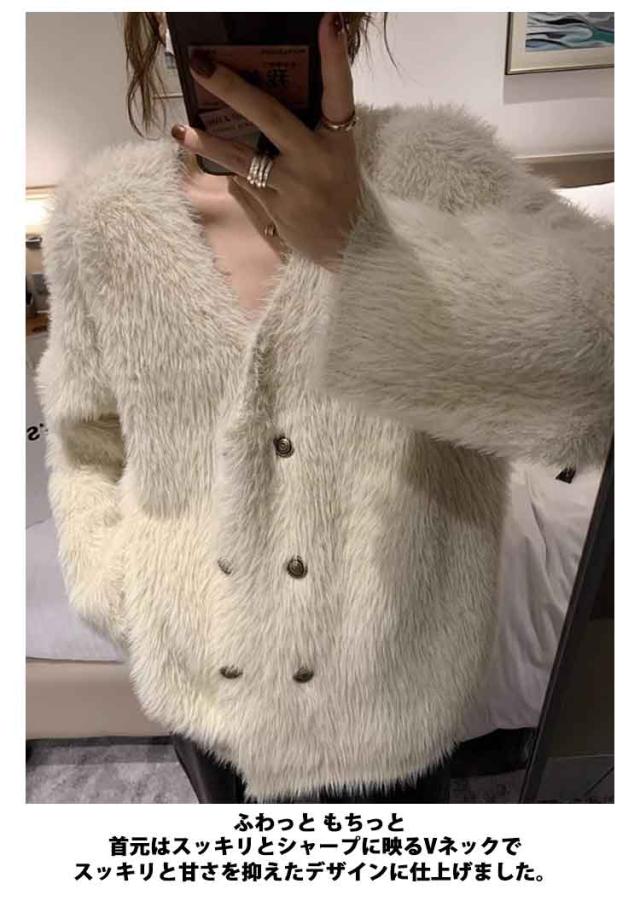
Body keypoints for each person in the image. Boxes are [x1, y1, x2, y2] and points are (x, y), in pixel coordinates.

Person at [35, 12, 613, 804]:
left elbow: (602, 361)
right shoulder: (99, 216)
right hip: (203, 685)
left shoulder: (438, 168)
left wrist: (364, 245)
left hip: (388, 698)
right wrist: (118, 589)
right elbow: (85, 436)